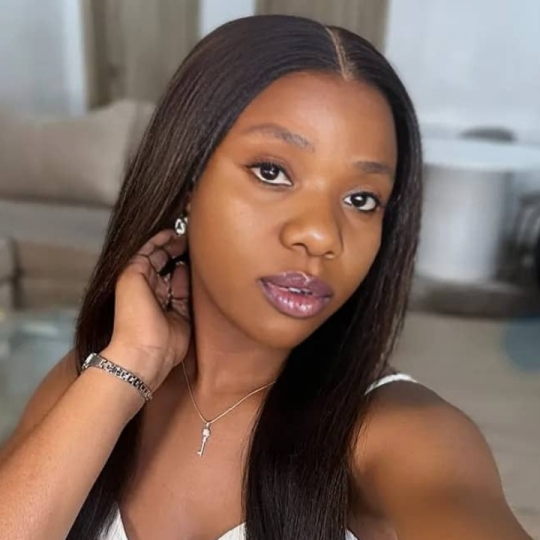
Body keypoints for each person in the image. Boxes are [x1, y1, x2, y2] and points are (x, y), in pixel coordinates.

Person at [0, 14, 533, 540]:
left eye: (361, 199)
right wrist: (131, 364)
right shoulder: (94, 375)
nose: (321, 235)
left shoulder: (404, 433)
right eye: (272, 172)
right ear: (188, 184)